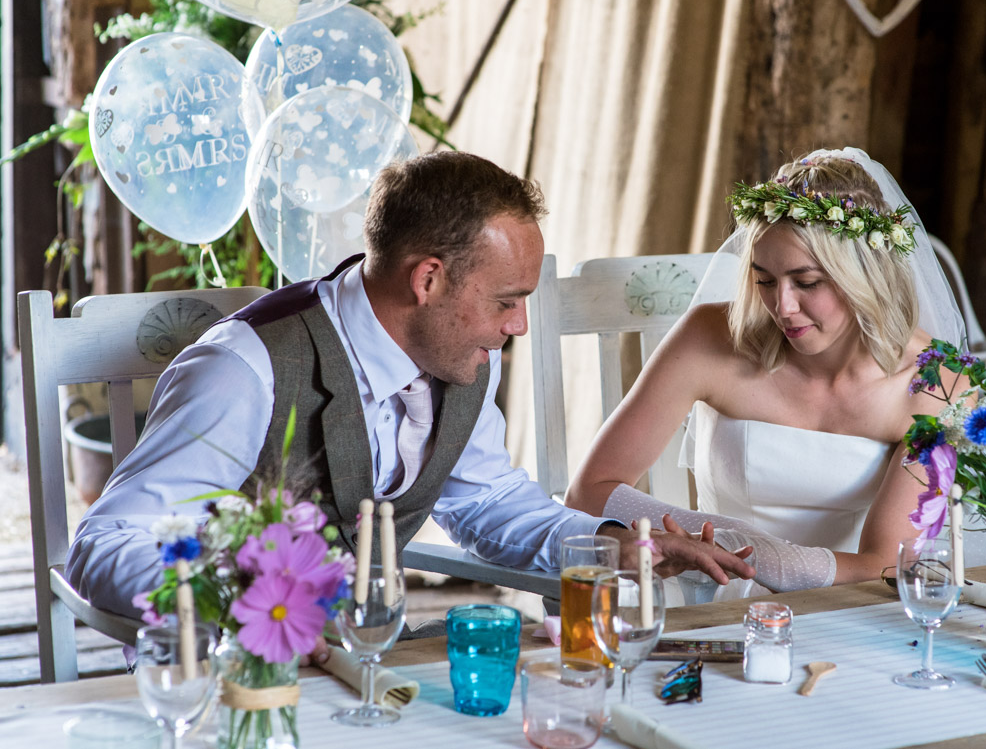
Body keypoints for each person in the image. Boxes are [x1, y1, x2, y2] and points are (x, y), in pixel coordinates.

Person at [66, 151, 754, 638]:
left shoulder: (458, 357)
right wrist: (242, 595)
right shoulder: (243, 370)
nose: (519, 326)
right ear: (426, 279)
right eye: (507, 301)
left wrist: (619, 545)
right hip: (232, 681)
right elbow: (102, 544)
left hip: (368, 661)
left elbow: (490, 504)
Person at [564, 146, 973, 600]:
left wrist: (780, 559)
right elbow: (588, 492)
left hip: (845, 608)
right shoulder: (708, 338)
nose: (783, 306)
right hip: (702, 594)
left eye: (807, 282)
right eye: (764, 280)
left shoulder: (936, 384)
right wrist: (726, 536)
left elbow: (887, 564)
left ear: (865, 275)